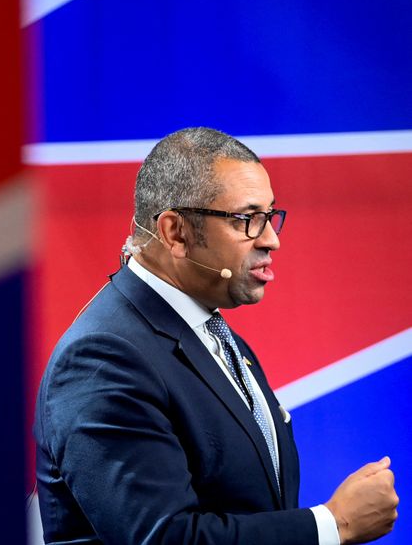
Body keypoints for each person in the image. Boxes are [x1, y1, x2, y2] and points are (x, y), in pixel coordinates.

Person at [33, 127, 399, 544]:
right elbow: (166, 538)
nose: (271, 240)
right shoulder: (103, 358)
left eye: (270, 215)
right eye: (247, 220)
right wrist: (334, 525)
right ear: (175, 232)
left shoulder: (218, 336)